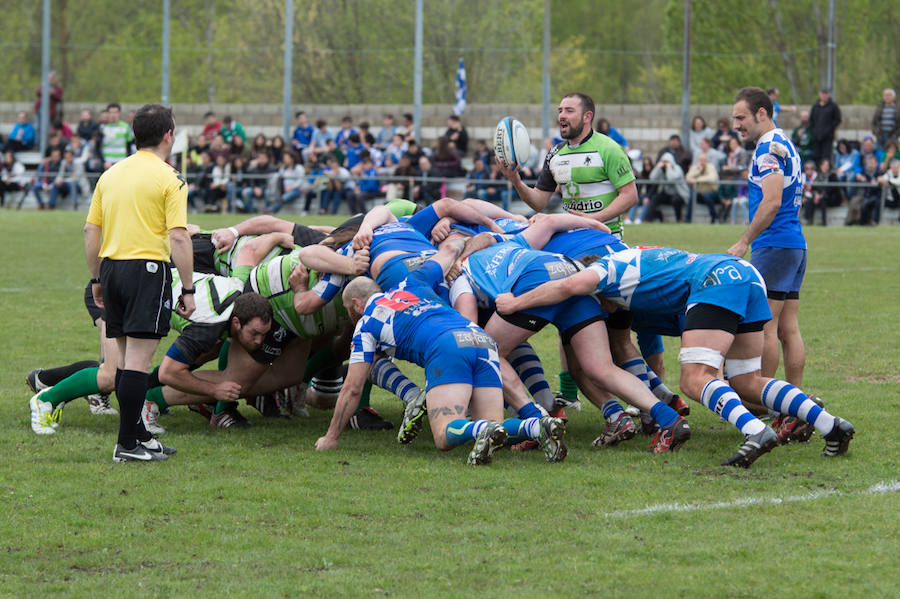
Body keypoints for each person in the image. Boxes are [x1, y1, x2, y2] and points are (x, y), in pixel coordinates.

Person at [496, 246, 855, 466]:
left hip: (716, 280)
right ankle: (831, 425)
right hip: (744, 274)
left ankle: (755, 431)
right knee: (746, 382)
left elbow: (568, 285)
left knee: (695, 379)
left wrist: (516, 302)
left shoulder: (603, 271)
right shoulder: (636, 267)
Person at [80, 103, 193, 462]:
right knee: (137, 365)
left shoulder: (111, 174)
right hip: (146, 270)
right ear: (168, 135)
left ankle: (140, 435)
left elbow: (89, 230)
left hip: (112, 269)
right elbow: (178, 237)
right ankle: (127, 443)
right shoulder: (170, 177)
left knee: (128, 358)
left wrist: (96, 277)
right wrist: (188, 289)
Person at [727, 87, 809, 439]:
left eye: (741, 117)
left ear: (762, 113)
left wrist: (745, 239)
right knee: (789, 327)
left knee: (767, 327)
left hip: (774, 244)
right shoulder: (786, 143)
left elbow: (772, 200)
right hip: (794, 244)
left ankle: (769, 401)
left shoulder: (767, 149)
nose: (736, 125)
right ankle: (796, 404)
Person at [497, 93, 637, 240]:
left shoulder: (609, 148)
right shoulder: (554, 154)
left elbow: (630, 195)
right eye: (560, 111)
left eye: (569, 111)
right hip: (570, 238)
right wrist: (516, 181)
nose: (562, 116)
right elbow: (538, 202)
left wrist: (594, 219)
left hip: (605, 237)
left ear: (587, 117)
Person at [809, 88, 841, 165]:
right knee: (816, 156)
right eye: (822, 94)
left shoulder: (833, 106)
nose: (824, 96)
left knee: (826, 157)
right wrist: (814, 132)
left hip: (828, 137)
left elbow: (837, 119)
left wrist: (829, 129)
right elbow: (811, 120)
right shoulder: (815, 107)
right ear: (819, 94)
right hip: (816, 137)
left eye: (825, 94)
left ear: (828, 95)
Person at [686, 153, 720, 223]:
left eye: (704, 160)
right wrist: (699, 171)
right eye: (700, 160)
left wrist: (697, 180)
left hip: (712, 192)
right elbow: (688, 178)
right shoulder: (695, 168)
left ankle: (714, 217)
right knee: (692, 196)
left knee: (707, 196)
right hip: (699, 193)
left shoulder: (711, 167)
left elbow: (711, 178)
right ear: (698, 161)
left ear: (707, 160)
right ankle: (688, 219)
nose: (702, 162)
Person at [100, 103, 133, 169]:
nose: (113, 115)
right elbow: (98, 146)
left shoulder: (125, 126)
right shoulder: (103, 127)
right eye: (111, 112)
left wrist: (127, 160)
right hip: (107, 162)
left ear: (119, 113)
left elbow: (129, 145)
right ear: (108, 114)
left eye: (115, 112)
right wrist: (103, 161)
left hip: (121, 161)